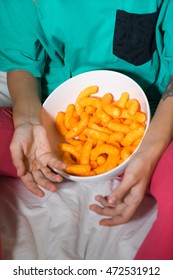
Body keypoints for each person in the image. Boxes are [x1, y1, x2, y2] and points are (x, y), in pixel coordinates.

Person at [0, 0, 173, 259]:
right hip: (47, 123)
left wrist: (149, 152)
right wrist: (27, 122)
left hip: (156, 124)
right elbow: (22, 61)